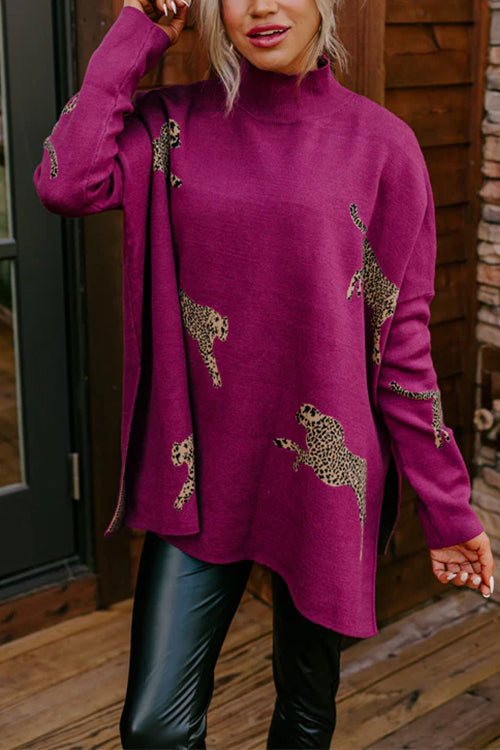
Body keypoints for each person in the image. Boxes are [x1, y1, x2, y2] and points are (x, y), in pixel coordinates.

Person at [33, 0, 495, 747]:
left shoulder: (384, 146)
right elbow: (66, 182)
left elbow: (402, 345)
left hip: (326, 478)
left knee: (305, 712)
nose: (261, 6)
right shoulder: (171, 125)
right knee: (154, 728)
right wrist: (138, 29)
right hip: (200, 474)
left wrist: (448, 509)